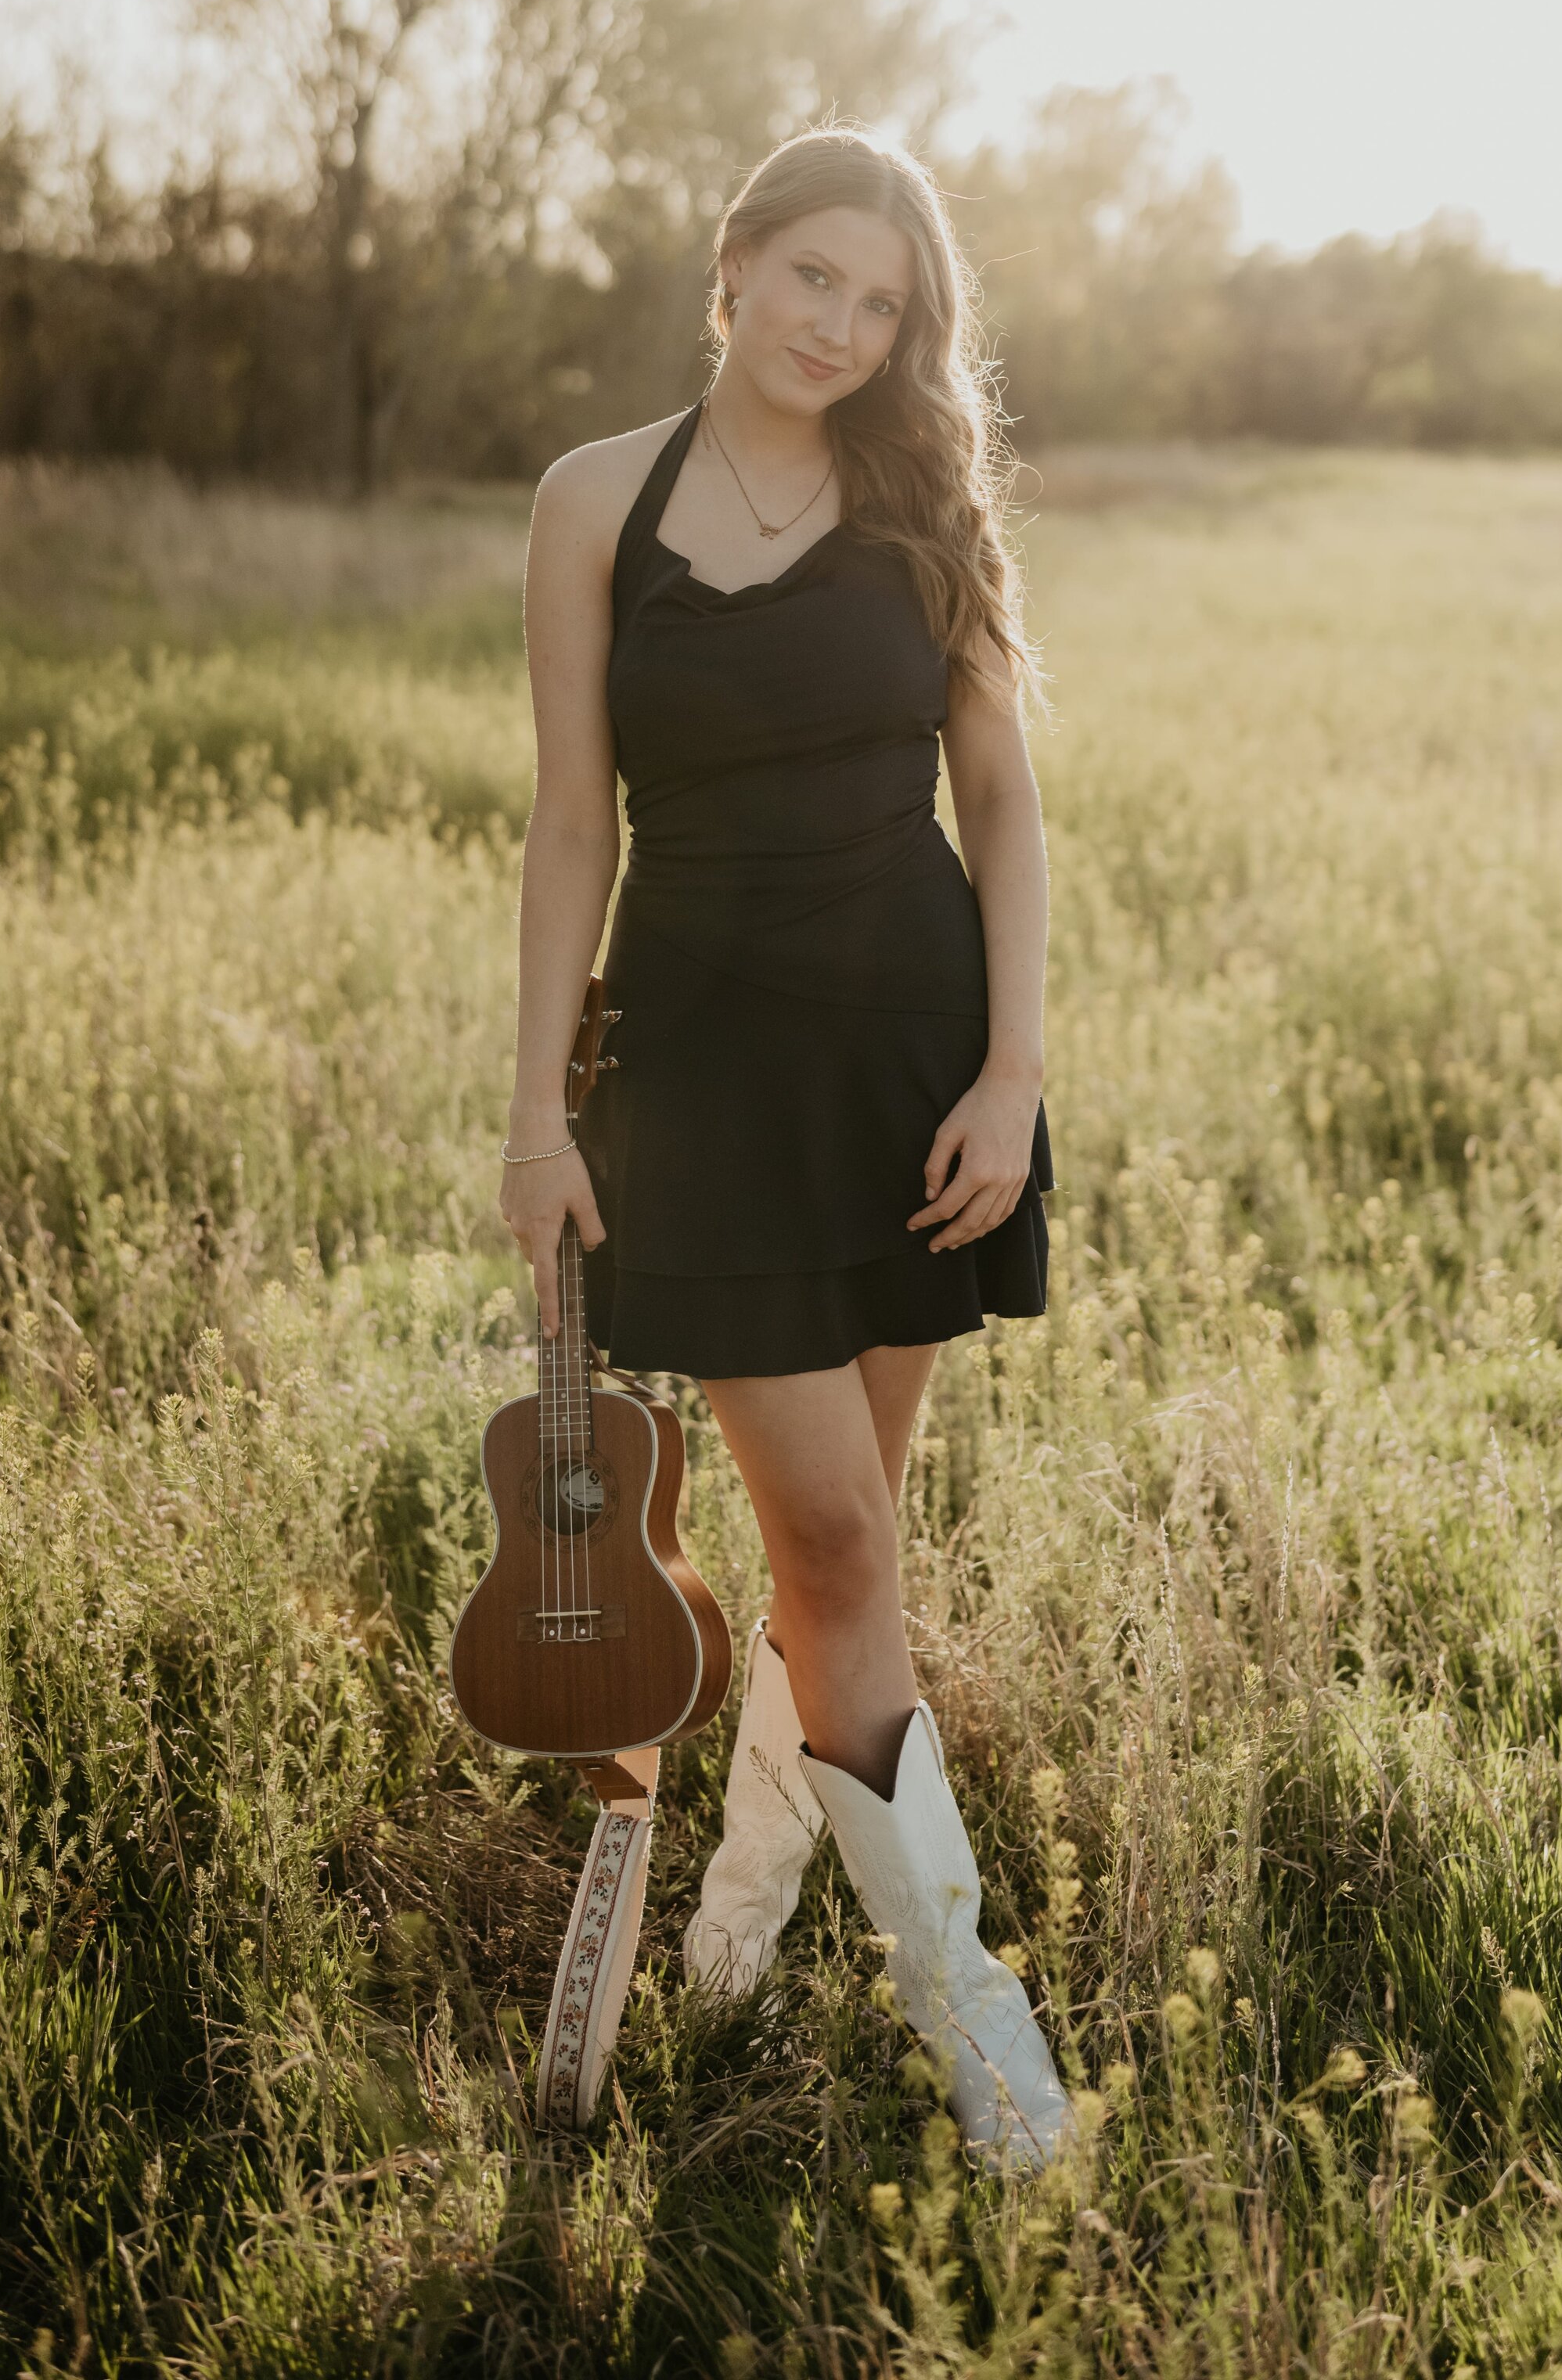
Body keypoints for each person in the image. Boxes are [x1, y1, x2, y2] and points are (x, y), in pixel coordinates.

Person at [500, 123, 1072, 2169]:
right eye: (815, 275)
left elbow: (1000, 798)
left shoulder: (926, 494)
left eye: (885, 304)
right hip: (705, 1079)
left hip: (912, 1062)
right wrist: (536, 1116)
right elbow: (572, 818)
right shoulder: (595, 501)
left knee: (852, 1541)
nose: (842, 326)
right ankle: (978, 2029)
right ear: (734, 262)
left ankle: (740, 1914)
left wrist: (1011, 1072)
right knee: (834, 1542)